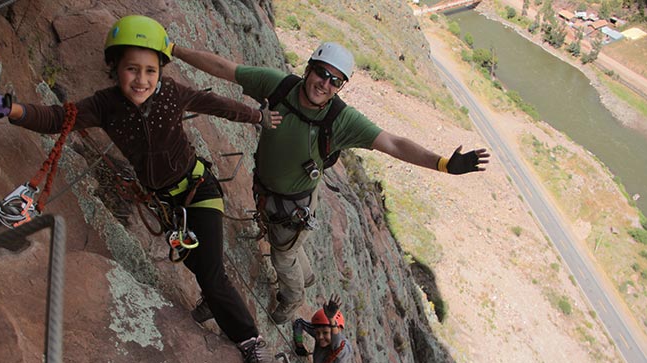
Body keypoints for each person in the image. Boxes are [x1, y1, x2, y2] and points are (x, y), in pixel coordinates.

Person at [0, 15, 283, 363]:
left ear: (161, 71)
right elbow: (59, 118)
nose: (142, 79)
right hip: (166, 206)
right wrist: (11, 110)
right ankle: (214, 300)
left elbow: (212, 103)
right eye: (132, 69)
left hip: (200, 191)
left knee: (211, 271)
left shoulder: (171, 94)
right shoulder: (105, 105)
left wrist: (256, 116)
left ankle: (252, 343)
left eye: (150, 70)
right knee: (199, 265)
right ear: (114, 67)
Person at [170, 41, 491, 324]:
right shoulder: (279, 87)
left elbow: (393, 143)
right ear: (308, 68)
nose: (324, 83)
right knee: (288, 245)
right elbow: (226, 69)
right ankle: (306, 275)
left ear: (341, 86)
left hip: (292, 202)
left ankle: (292, 297)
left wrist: (443, 164)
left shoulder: (342, 120)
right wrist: (173, 50)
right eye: (321, 73)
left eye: (335, 80)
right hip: (269, 191)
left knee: (282, 256)